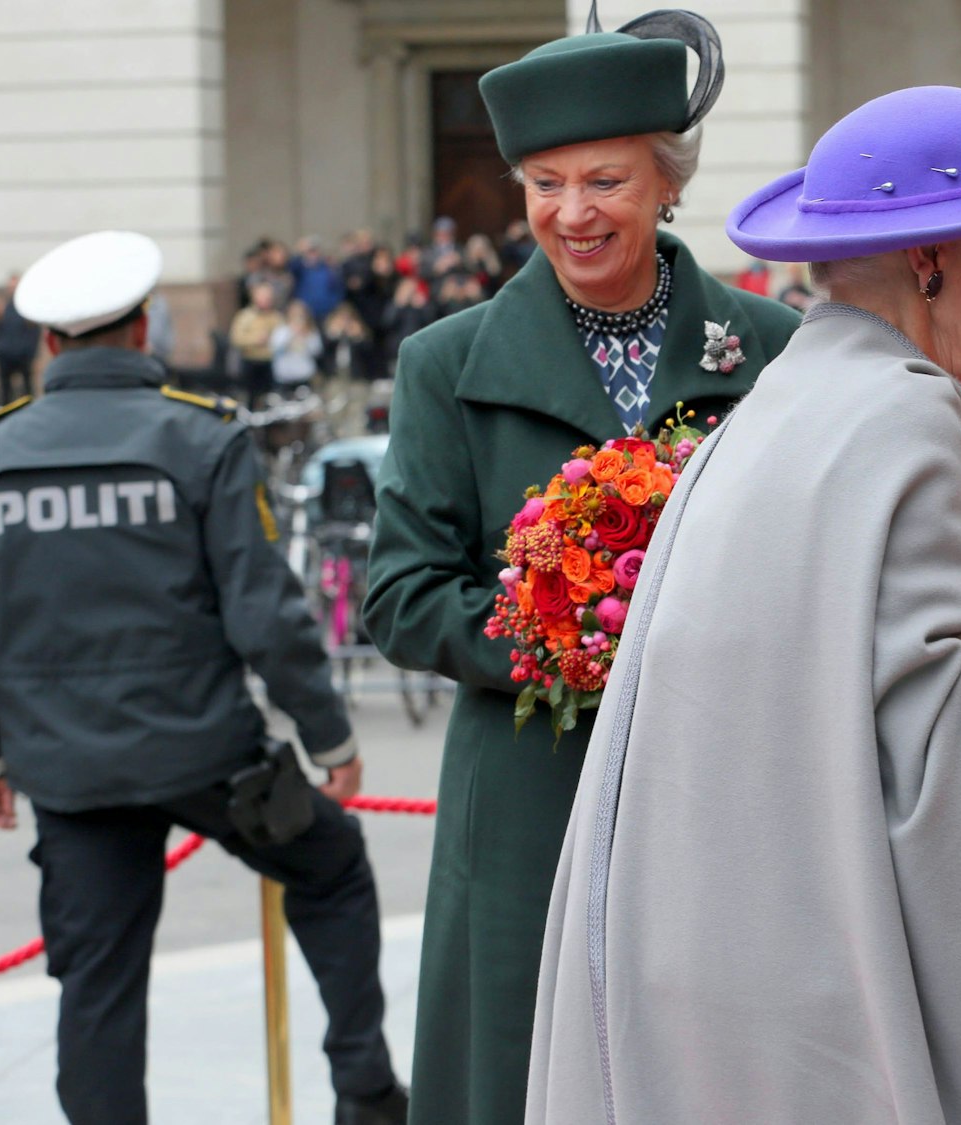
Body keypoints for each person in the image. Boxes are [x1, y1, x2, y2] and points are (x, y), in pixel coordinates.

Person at [525, 84, 961, 1123]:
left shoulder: (774, 405)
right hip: (822, 1013)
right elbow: (941, 775)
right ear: (930, 261)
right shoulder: (903, 418)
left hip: (716, 986)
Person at [362, 15, 799, 1123]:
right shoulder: (445, 364)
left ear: (668, 183)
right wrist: (567, 637)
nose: (571, 213)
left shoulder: (772, 349)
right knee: (521, 1080)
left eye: (605, 181)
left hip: (722, 783)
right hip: (528, 800)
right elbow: (401, 596)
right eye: (543, 184)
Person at [0, 230, 407, 1125]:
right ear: (144, 329)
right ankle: (365, 1087)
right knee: (330, 866)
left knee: (97, 986)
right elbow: (265, 612)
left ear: (49, 344)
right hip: (206, 754)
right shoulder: (199, 435)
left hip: (69, 771)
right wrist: (328, 736)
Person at [228, 279, 284, 405]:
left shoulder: (276, 317)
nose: (266, 300)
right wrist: (255, 339)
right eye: (262, 296)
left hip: (271, 361)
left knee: (272, 396)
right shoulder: (245, 316)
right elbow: (235, 338)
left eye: (268, 297)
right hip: (251, 360)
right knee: (252, 396)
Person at [0, 273, 39, 405]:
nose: (13, 290)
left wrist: (31, 354)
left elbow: (35, 333)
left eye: (15, 287)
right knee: (5, 395)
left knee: (28, 392)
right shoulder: (2, 308)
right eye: (11, 287)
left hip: (24, 358)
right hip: (5, 357)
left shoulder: (28, 309)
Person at [269, 298, 324, 391]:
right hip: (284, 377)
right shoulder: (281, 330)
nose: (297, 316)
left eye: (300, 313)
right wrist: (291, 332)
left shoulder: (311, 331)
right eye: (294, 312)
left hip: (304, 376)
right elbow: (275, 349)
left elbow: (317, 351)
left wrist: (306, 337)